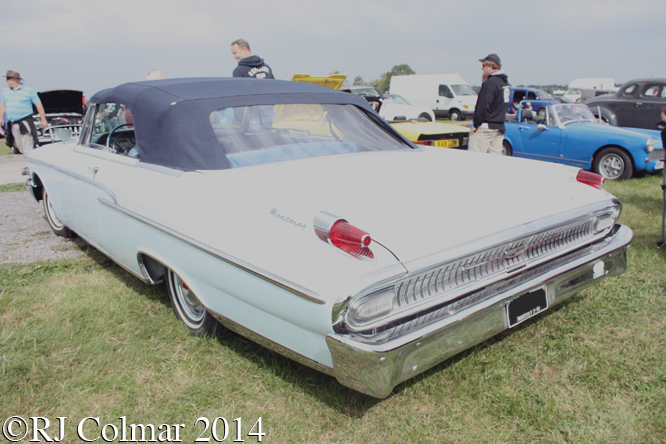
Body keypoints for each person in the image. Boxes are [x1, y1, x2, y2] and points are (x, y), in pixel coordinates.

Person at [0, 70, 48, 157]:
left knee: (27, 146)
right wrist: (1, 117)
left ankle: (29, 161)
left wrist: (43, 119)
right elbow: (2, 105)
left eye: (8, 78)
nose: (7, 81)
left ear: (15, 79)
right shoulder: (6, 91)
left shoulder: (28, 90)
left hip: (25, 122)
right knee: (19, 146)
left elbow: (39, 105)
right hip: (13, 123)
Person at [469, 54, 509, 155]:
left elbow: (483, 105)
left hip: (486, 129)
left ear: (490, 66)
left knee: (474, 158)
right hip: (499, 127)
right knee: (494, 159)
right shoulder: (504, 83)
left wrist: (476, 124)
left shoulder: (490, 83)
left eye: (483, 65)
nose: (482, 68)